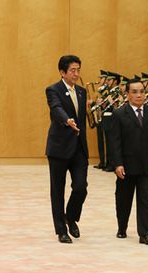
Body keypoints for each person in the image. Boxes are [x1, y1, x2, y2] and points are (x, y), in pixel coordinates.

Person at [112, 78, 148, 245]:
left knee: (147, 200)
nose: (139, 95)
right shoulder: (119, 114)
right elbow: (115, 142)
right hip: (126, 165)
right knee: (123, 199)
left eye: (141, 91)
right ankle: (122, 227)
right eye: (134, 92)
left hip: (147, 164)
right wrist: (117, 164)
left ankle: (145, 233)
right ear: (127, 94)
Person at [45, 55, 89, 244]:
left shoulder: (82, 91)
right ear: (62, 72)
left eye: (78, 70)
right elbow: (55, 108)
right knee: (58, 190)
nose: (76, 74)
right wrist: (66, 120)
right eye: (73, 70)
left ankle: (70, 217)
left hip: (78, 148)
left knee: (81, 187)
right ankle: (61, 230)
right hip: (59, 148)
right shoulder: (53, 90)